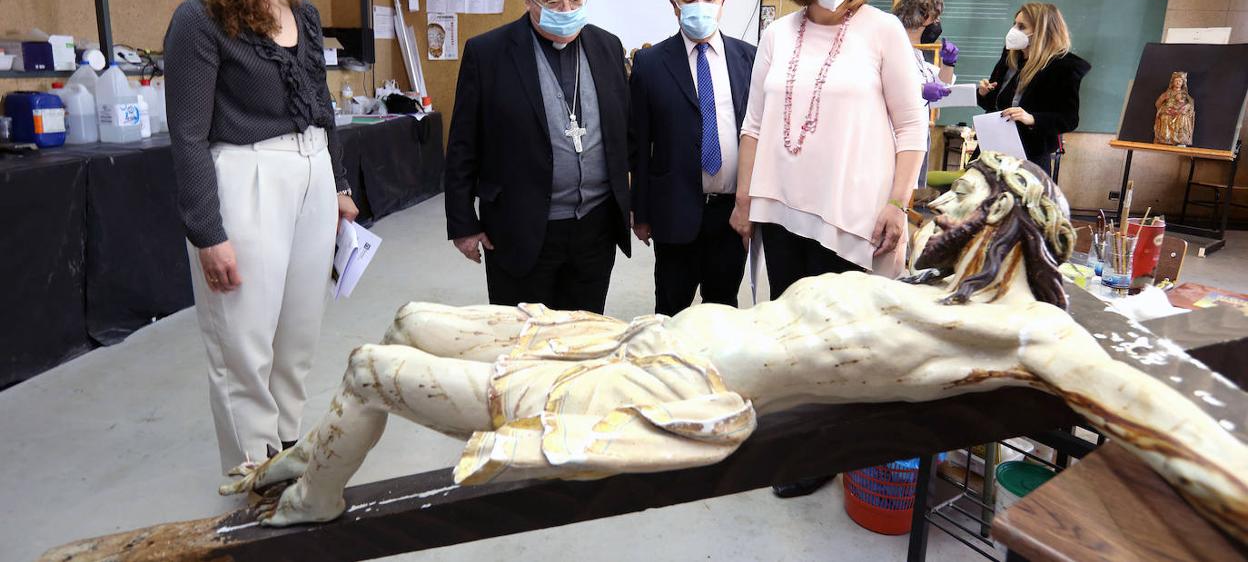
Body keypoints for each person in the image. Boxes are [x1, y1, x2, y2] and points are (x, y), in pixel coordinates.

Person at [222, 153, 1248, 550]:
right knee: (401, 319)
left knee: (366, 367)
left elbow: (1170, 418)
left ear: (1010, 220)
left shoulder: (1028, 331)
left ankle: (310, 498)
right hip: (633, 333)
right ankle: (306, 463)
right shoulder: (930, 288)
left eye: (967, 190)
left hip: (652, 380)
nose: (941, 200)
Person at [163, 0, 358, 475]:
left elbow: (321, 108)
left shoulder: (303, 10)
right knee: (243, 341)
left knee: (297, 337)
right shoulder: (201, 20)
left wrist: (341, 186)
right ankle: (251, 473)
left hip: (312, 172)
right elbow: (189, 135)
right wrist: (208, 232)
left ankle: (288, 456)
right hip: (245, 177)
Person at [728, 0, 926, 497]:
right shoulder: (777, 34)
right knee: (792, 333)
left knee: (843, 339)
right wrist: (745, 199)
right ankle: (799, 442)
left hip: (854, 214)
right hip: (784, 210)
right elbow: (754, 123)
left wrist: (898, 202)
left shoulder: (882, 30)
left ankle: (832, 450)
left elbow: (913, 125)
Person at [445, 0, 631, 315]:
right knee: (522, 338)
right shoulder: (488, 53)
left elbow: (625, 131)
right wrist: (462, 222)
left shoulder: (607, 46)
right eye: (554, 0)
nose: (567, 10)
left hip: (593, 228)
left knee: (583, 334)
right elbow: (464, 142)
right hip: (521, 226)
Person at [629, 0, 756, 315]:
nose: (700, 4)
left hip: (731, 214)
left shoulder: (749, 58)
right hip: (674, 212)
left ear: (722, 1)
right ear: (675, 5)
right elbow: (638, 145)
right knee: (671, 310)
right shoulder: (650, 64)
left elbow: (757, 134)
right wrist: (639, 211)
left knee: (723, 309)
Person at [976, 2, 1091, 176]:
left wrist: (1031, 118)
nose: (1014, 30)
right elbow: (993, 103)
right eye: (1014, 24)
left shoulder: (1062, 67)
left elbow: (1069, 119)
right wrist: (983, 92)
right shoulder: (1010, 57)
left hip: (1029, 155)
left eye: (1021, 26)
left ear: (1042, 31)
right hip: (993, 147)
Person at [893, 0, 959, 186]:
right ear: (918, 17)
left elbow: (941, 85)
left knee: (903, 193)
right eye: (934, 18)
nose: (937, 24)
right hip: (895, 135)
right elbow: (884, 87)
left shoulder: (918, 53)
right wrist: (920, 90)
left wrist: (948, 64)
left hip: (915, 133)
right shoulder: (892, 47)